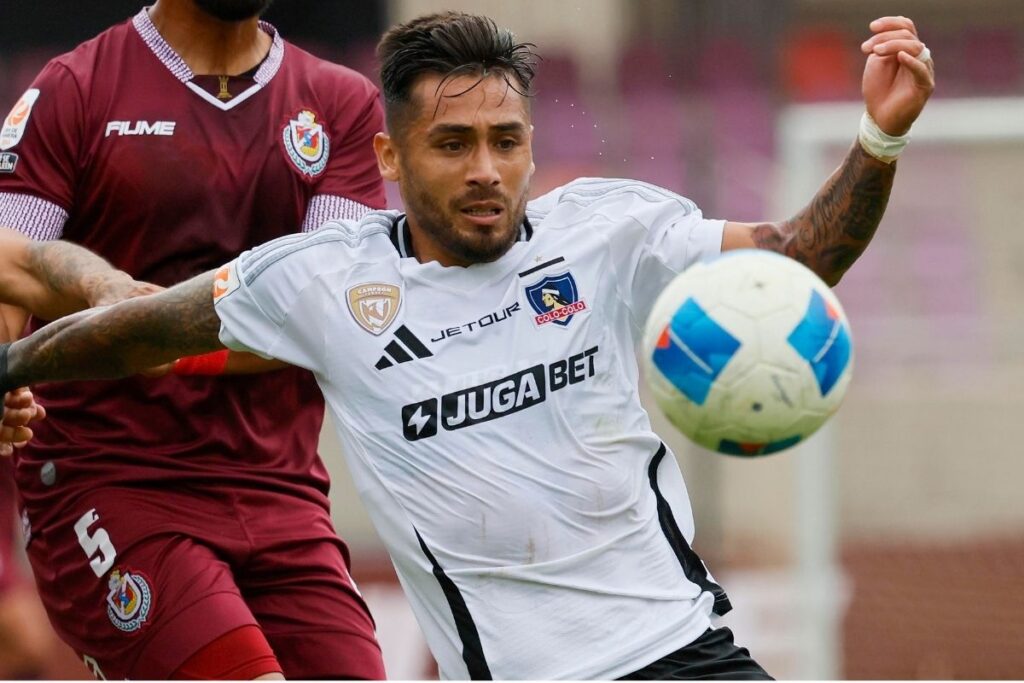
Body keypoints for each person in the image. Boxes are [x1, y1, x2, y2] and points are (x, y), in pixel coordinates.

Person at [0, 10, 935, 680]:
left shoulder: (609, 228)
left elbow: (798, 256)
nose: (485, 169)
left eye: (505, 140)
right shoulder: (326, 281)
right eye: (452, 144)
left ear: (532, 145)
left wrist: (878, 139)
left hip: (687, 655)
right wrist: (13, 366)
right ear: (393, 159)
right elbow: (141, 330)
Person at [0, 0, 388, 678]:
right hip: (108, 482)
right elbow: (11, 267)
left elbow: (325, 318)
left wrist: (156, 338)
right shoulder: (75, 89)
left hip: (282, 498)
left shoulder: (340, 105)